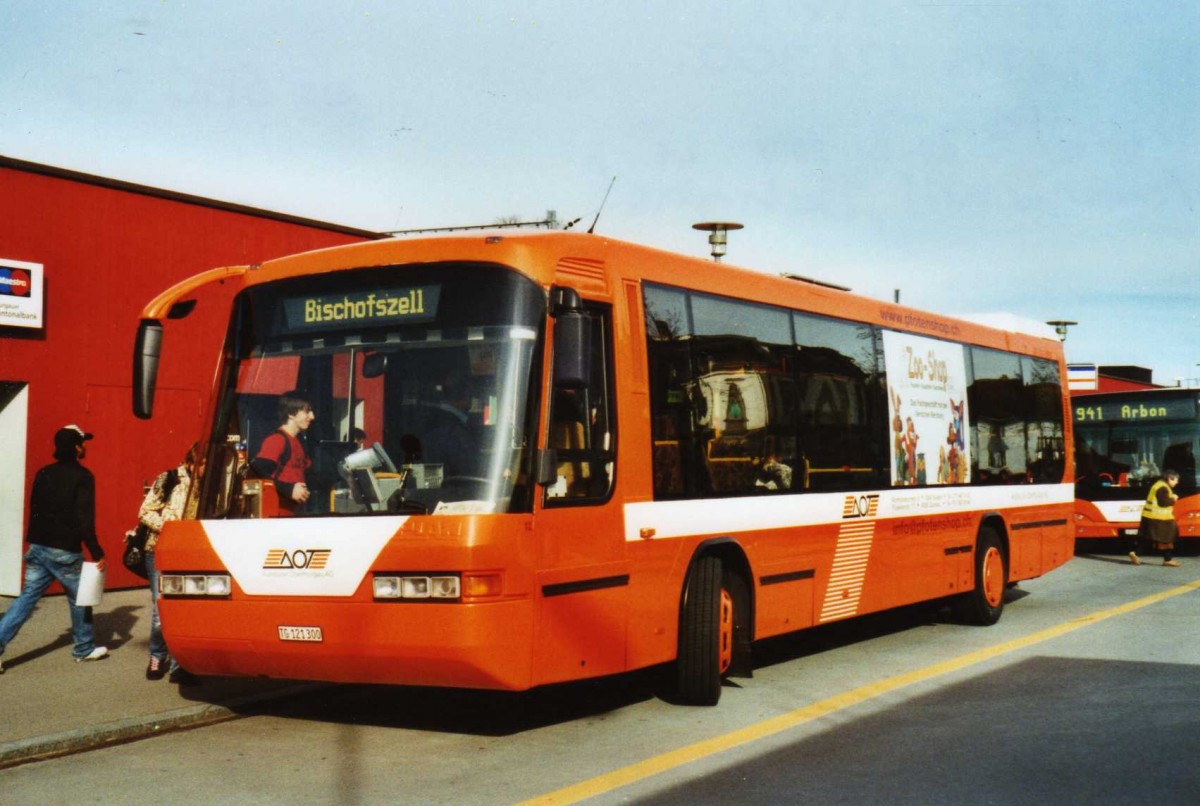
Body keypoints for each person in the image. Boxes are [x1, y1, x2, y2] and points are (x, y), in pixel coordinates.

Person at [0, 425, 108, 673]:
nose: (85, 447)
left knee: (27, 598)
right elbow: (84, 518)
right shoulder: (83, 476)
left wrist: (34, 540)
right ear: (77, 447)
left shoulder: (43, 472)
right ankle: (83, 648)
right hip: (65, 552)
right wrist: (97, 552)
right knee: (80, 597)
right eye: (83, 443)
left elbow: (34, 508)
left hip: (38, 547)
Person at [139, 443, 200, 684]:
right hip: (159, 550)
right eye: (203, 465)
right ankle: (157, 656)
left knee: (185, 612)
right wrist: (172, 530)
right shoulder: (169, 478)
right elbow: (145, 512)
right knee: (161, 612)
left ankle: (179, 666)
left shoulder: (209, 485)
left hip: (191, 553)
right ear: (192, 462)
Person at [250, 392, 314, 514]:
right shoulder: (276, 441)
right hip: (276, 516)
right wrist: (289, 490)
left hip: (293, 516)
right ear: (291, 414)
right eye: (307, 411)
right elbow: (256, 473)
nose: (312, 416)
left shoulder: (299, 442)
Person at [1129, 469, 1181, 567]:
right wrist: (1173, 499)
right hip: (1160, 519)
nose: (1177, 482)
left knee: (1148, 538)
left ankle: (1134, 552)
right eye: (1175, 480)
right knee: (1168, 538)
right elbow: (1164, 502)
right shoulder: (1163, 488)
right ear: (1169, 478)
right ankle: (1167, 559)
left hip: (1151, 517)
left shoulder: (1158, 485)